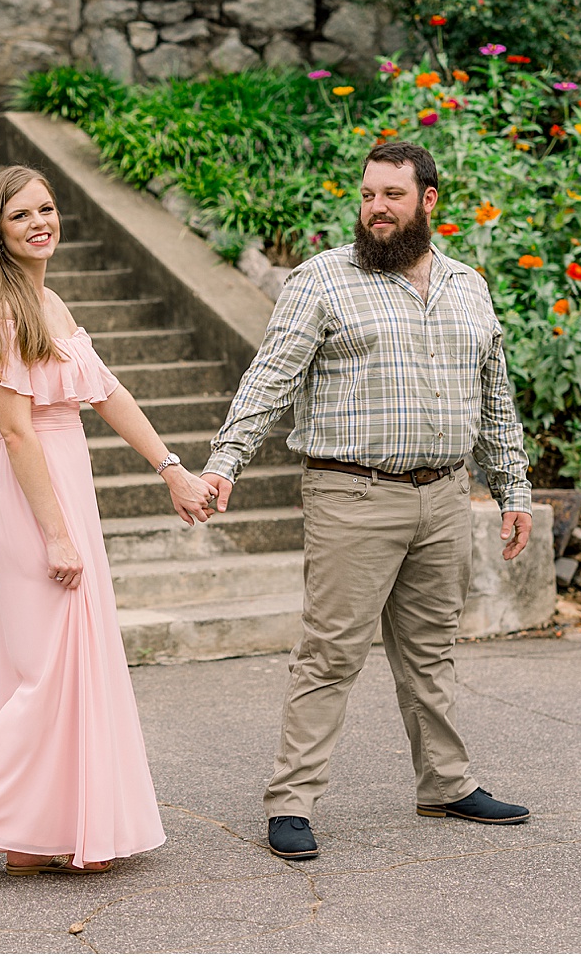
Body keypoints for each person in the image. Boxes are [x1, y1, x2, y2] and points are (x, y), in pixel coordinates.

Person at [199, 140, 536, 861]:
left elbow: (496, 401)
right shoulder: (322, 280)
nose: (376, 209)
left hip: (444, 495)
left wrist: (514, 489)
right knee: (330, 654)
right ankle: (291, 801)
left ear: (429, 201)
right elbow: (269, 379)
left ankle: (445, 782)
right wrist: (227, 460)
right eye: (367, 195)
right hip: (352, 493)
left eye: (392, 195)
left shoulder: (468, 286)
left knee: (432, 651)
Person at [0, 164, 218, 884]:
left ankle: (38, 831)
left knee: (64, 665)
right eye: (22, 215)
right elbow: (18, 436)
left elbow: (106, 391)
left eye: (47, 208)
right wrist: (55, 534)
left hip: (67, 483)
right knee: (50, 671)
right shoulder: (1, 313)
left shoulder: (49, 299)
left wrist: (171, 466)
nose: (40, 222)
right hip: (35, 497)